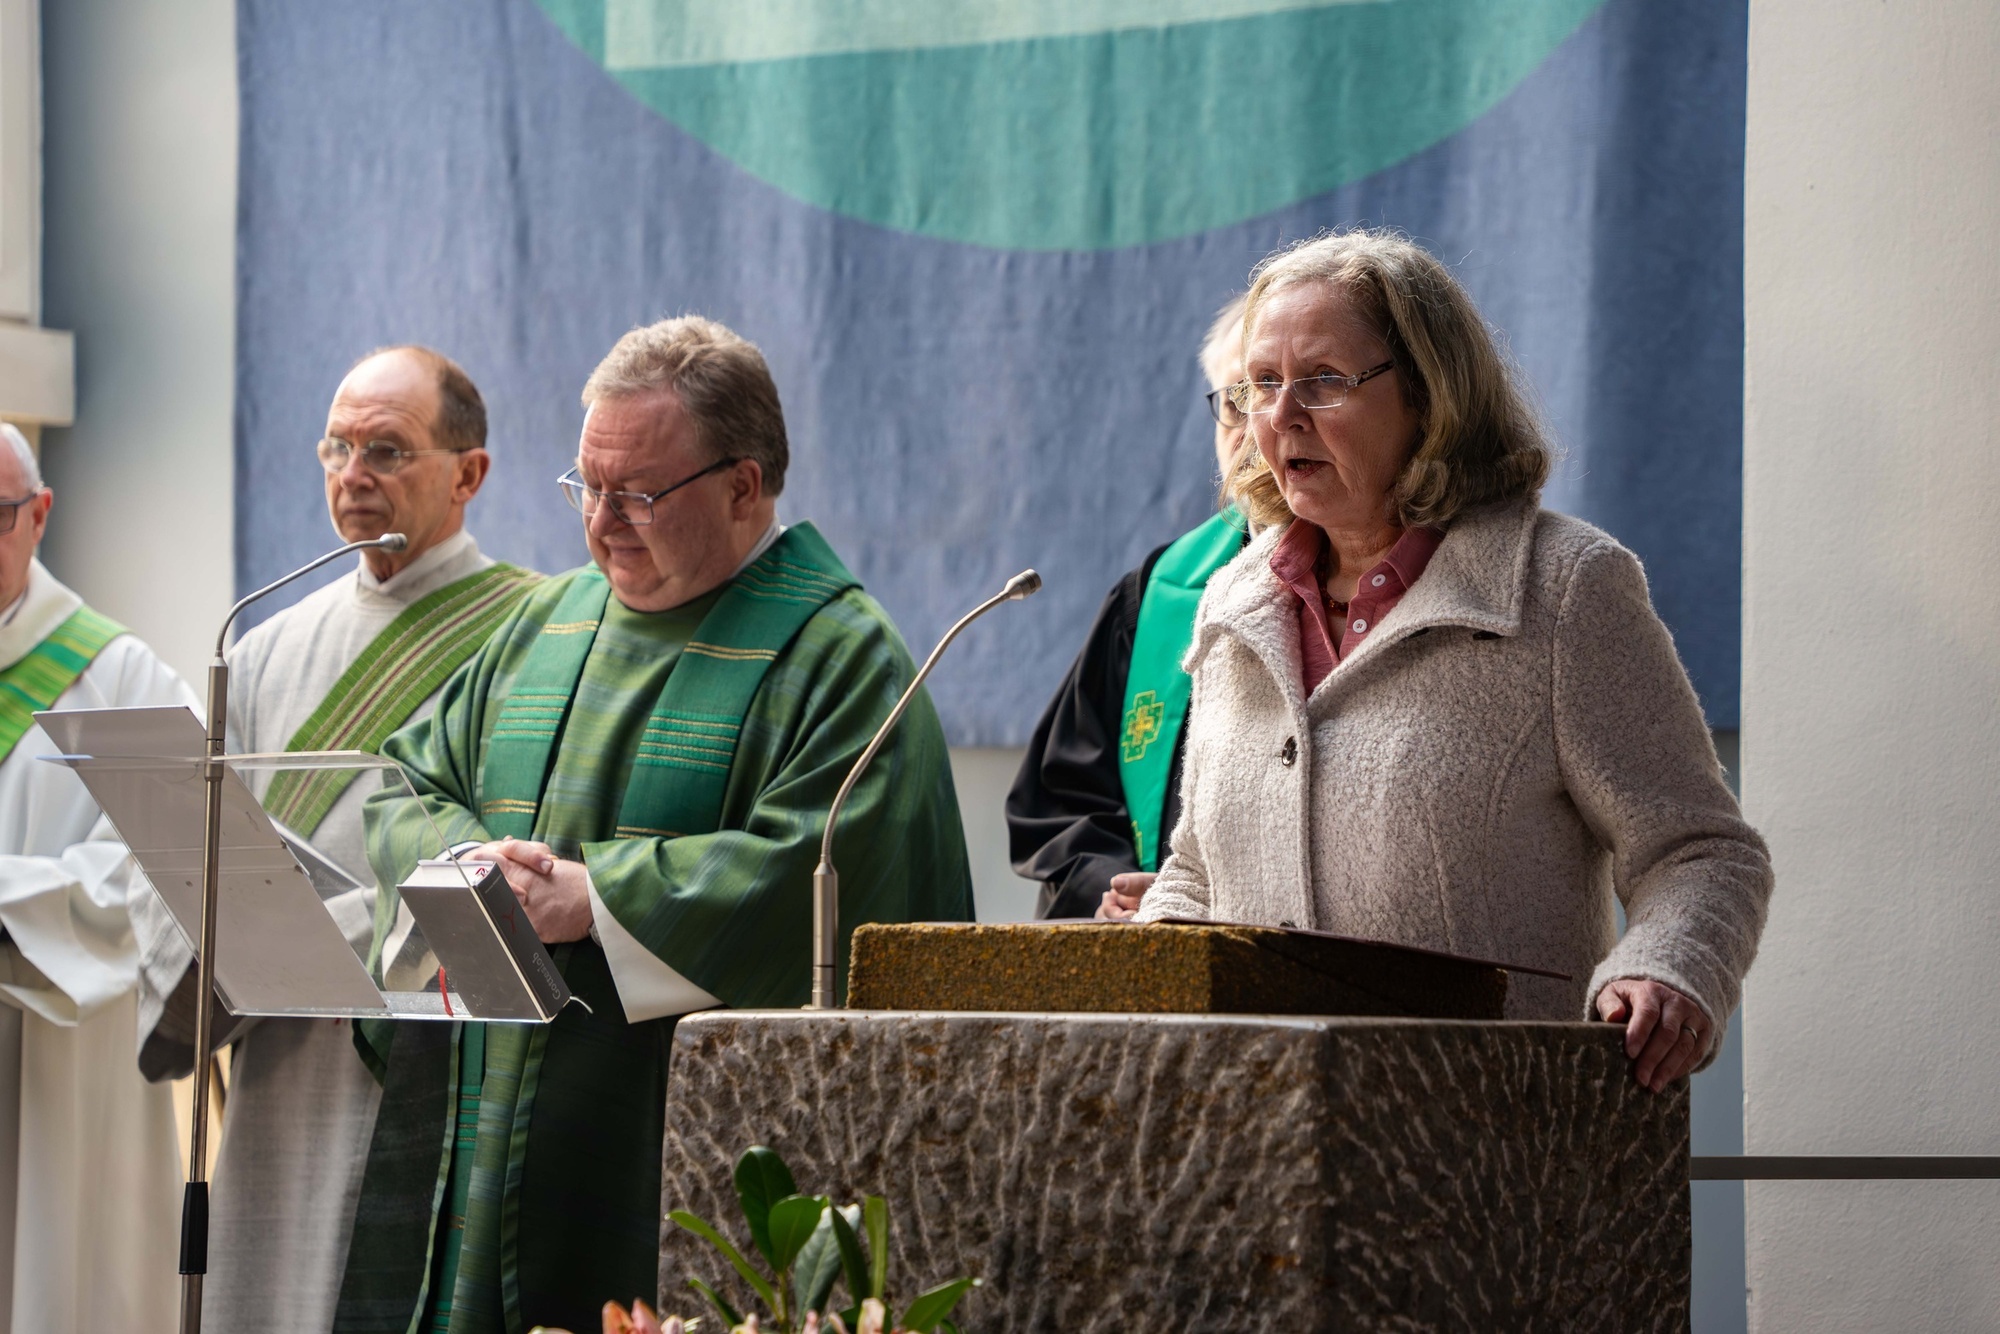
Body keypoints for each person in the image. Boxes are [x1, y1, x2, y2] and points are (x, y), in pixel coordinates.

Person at [335, 316, 974, 1334]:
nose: (601, 524)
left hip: (673, 1137)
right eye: (584, 486)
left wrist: (595, 898)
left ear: (743, 486)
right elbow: (406, 783)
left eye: (636, 494)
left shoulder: (840, 653)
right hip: (490, 1121)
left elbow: (832, 867)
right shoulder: (545, 622)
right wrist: (465, 866)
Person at [1132, 231, 1773, 1094]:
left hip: (1486, 1127)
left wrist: (1664, 968)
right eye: (1261, 385)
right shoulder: (1232, 599)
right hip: (1253, 1122)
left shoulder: (1563, 588)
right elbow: (1196, 872)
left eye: (1323, 380)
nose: (1279, 418)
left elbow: (1700, 850)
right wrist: (1144, 979)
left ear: (1431, 396)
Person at [130, 347, 541, 1332]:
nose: (353, 474)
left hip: (429, 1055)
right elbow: (191, 858)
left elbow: (520, 855)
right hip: (278, 1062)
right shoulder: (261, 645)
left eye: (386, 450)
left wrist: (343, 936)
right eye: (336, 447)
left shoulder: (531, 635)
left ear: (469, 473)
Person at [0, 424, 191, 1331]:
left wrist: (13, 911)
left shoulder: (118, 676)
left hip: (56, 1055)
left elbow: (168, 864)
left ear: (40, 515)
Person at [1006, 295, 1251, 919]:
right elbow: (1064, 803)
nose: (1262, 430)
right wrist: (1112, 891)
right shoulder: (1161, 593)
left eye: (1281, 393)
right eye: (1236, 402)